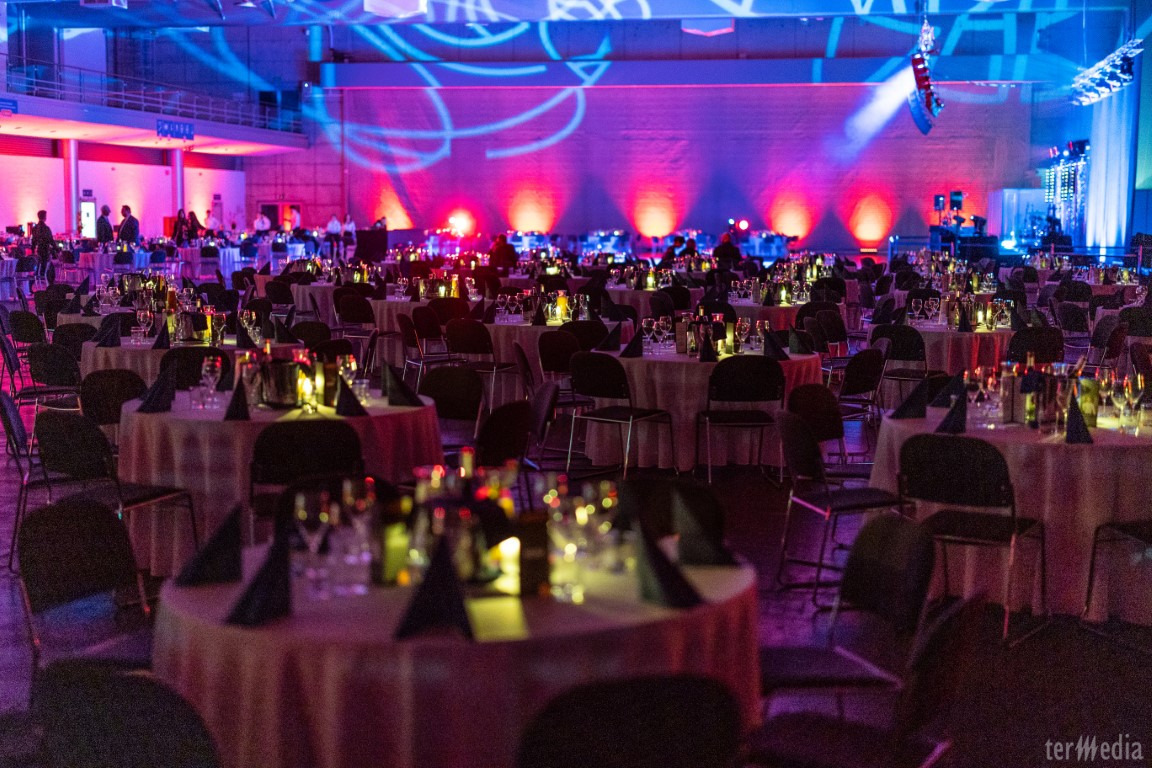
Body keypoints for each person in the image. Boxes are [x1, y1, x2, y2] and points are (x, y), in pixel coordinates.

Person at [30, 210, 56, 278]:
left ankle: (38, 277)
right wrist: (57, 249)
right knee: (44, 267)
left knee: (38, 265)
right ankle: (44, 278)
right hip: (45, 250)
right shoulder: (46, 228)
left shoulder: (34, 228)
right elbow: (51, 240)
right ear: (45, 217)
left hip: (38, 250)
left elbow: (33, 241)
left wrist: (33, 251)